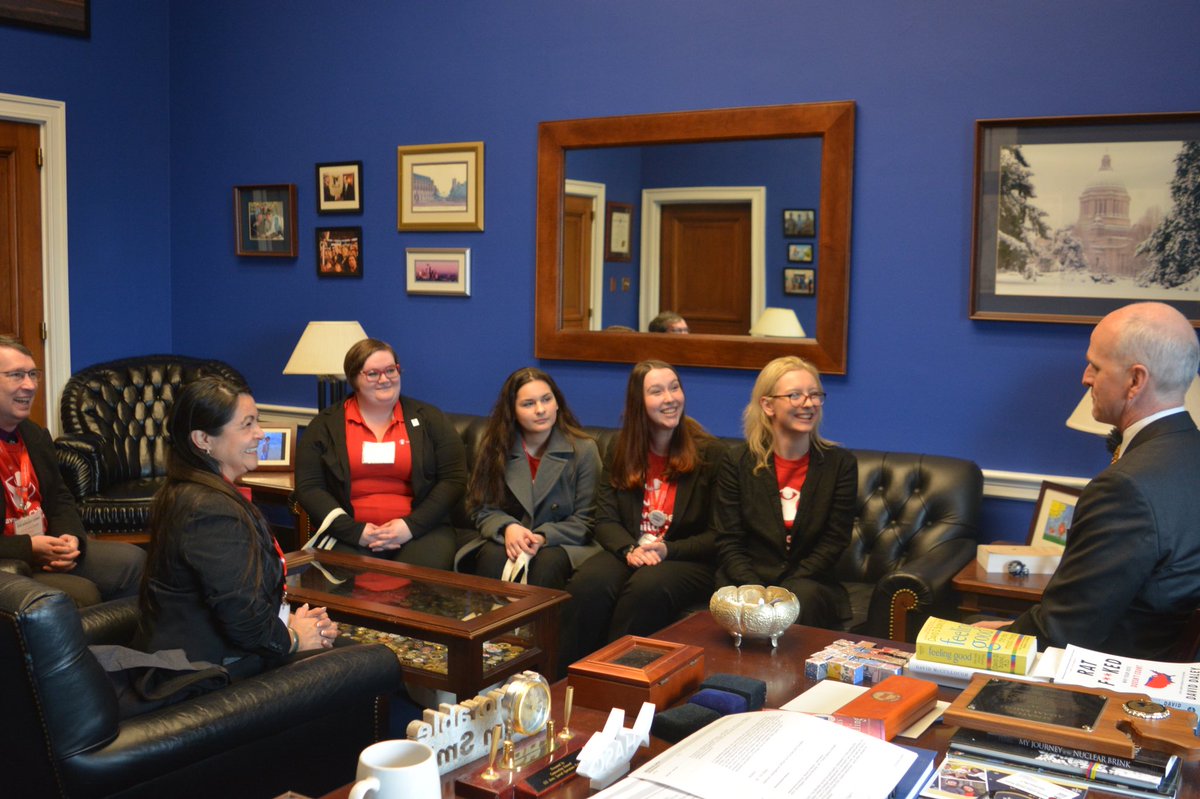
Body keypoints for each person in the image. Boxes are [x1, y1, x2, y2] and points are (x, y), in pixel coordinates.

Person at [980, 302, 1200, 659]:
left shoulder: (1126, 488)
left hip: (1110, 675)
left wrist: (990, 638)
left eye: (1095, 366)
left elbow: (1062, 633)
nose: (1085, 378)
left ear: (1135, 381)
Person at [137, 376, 336, 679]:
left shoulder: (190, 490)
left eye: (257, 421)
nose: (260, 434)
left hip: (209, 650)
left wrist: (289, 621)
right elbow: (244, 622)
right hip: (207, 672)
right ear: (203, 440)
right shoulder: (209, 510)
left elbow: (237, 600)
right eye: (247, 425)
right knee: (372, 660)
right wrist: (294, 638)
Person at [565, 360, 724, 659]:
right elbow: (605, 520)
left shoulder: (711, 454)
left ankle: (615, 675)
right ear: (638, 402)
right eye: (657, 391)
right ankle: (566, 677)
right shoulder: (620, 448)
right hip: (633, 549)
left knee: (647, 587)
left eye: (674, 388)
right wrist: (629, 549)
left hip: (686, 558)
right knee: (589, 583)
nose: (670, 398)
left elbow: (718, 536)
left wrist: (667, 550)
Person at [294, 338, 467, 570]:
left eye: (390, 370)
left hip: (421, 530)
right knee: (348, 584)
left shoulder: (430, 419)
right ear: (354, 379)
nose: (384, 379)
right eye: (373, 374)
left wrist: (410, 526)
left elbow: (453, 479)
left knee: (418, 585)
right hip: (348, 533)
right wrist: (355, 532)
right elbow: (309, 487)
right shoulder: (324, 426)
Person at [0, 336, 143, 606]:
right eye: (16, 375)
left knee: (132, 561)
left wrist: (70, 538)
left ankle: (132, 637)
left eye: (32, 374)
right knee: (81, 593)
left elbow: (60, 498)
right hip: (10, 562)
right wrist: (30, 548)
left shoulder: (35, 435)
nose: (29, 385)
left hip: (46, 547)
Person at [715, 355, 855, 628]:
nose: (808, 403)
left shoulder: (840, 464)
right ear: (768, 405)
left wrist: (784, 590)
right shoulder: (737, 462)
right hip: (746, 580)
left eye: (814, 395)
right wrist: (755, 590)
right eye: (795, 395)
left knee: (801, 597)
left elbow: (834, 541)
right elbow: (729, 541)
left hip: (809, 581)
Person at [463, 367, 600, 588]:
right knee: (492, 558)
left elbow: (587, 520)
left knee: (546, 565)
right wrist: (508, 527)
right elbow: (481, 508)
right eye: (528, 404)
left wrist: (543, 537)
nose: (541, 410)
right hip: (510, 536)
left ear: (557, 403)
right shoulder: (495, 447)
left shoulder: (584, 450)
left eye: (547, 399)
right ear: (512, 411)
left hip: (562, 541)